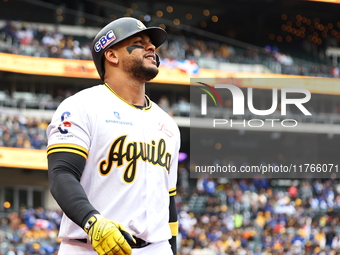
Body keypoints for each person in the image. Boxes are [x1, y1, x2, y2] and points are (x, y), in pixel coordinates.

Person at [46, 17, 180, 255]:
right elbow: (62, 173)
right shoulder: (81, 106)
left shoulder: (167, 124)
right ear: (112, 55)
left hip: (156, 249)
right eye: (139, 42)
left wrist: (172, 249)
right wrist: (92, 221)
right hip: (90, 246)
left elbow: (168, 201)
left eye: (152, 44)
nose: (151, 47)